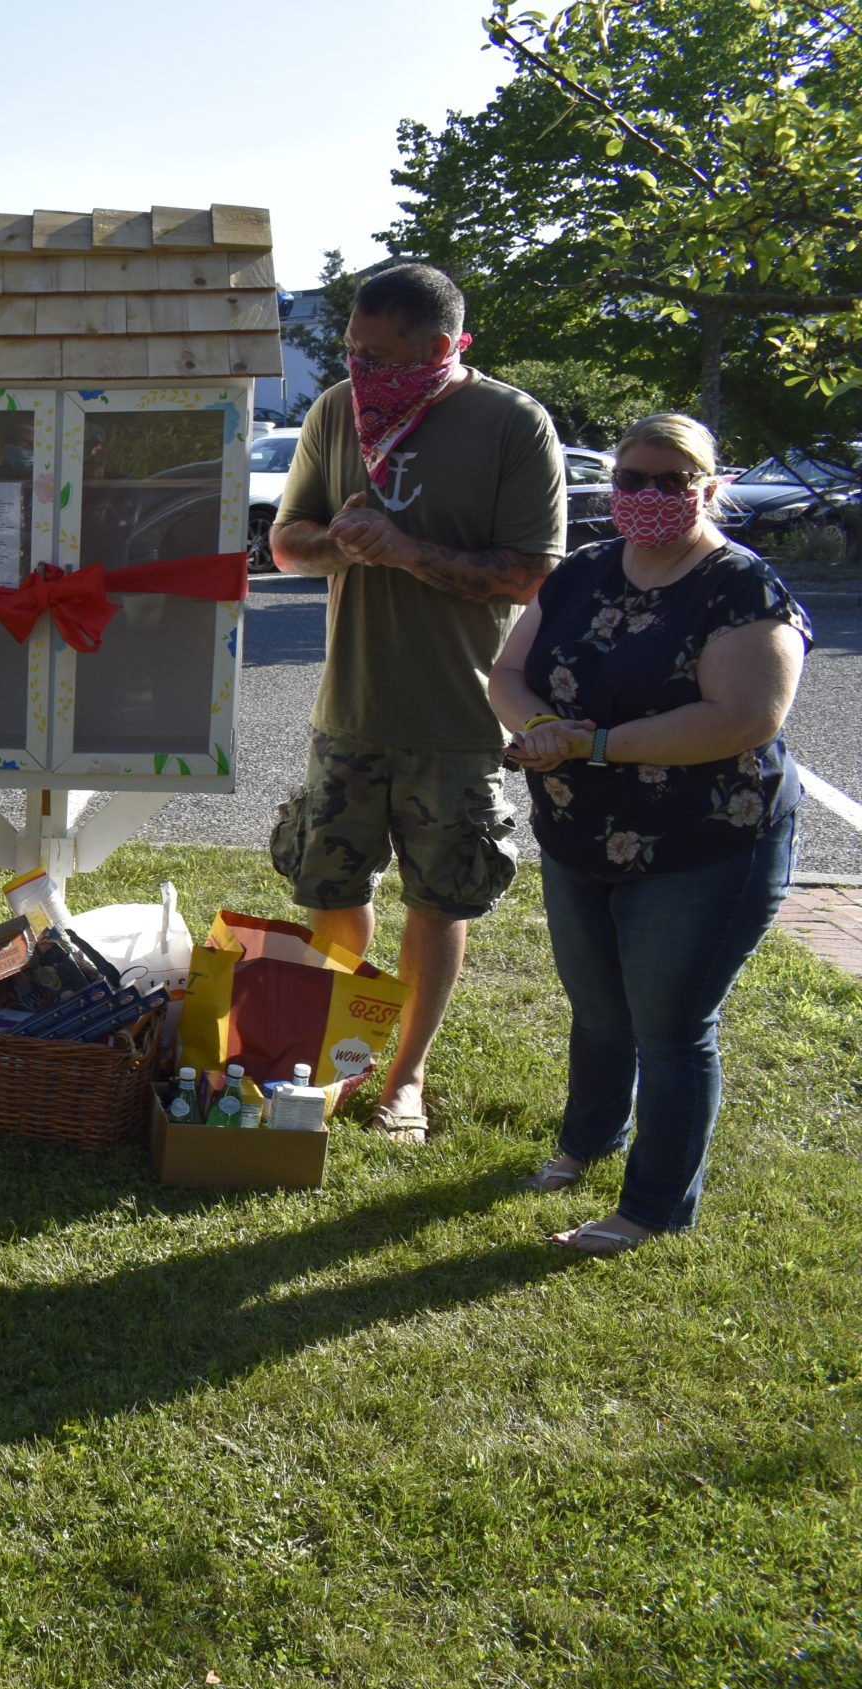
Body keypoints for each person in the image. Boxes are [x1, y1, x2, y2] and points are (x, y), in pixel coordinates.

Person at [492, 412, 809, 1255]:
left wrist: (588, 743)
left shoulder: (741, 586)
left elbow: (742, 718)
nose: (648, 496)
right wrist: (543, 727)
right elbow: (510, 672)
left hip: (705, 844)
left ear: (710, 487)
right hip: (579, 834)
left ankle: (652, 1206)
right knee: (598, 1012)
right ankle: (586, 1142)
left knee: (669, 1027)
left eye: (671, 481)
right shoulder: (584, 569)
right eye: (631, 479)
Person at [266, 263, 567, 1140]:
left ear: (441, 348)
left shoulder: (513, 423)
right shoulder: (337, 411)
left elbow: (530, 573)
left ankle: (406, 1075)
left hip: (458, 720)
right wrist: (343, 545)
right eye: (352, 352)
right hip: (350, 712)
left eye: (379, 354)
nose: (360, 370)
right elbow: (287, 544)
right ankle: (336, 1054)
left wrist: (400, 549)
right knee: (329, 882)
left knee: (440, 899)